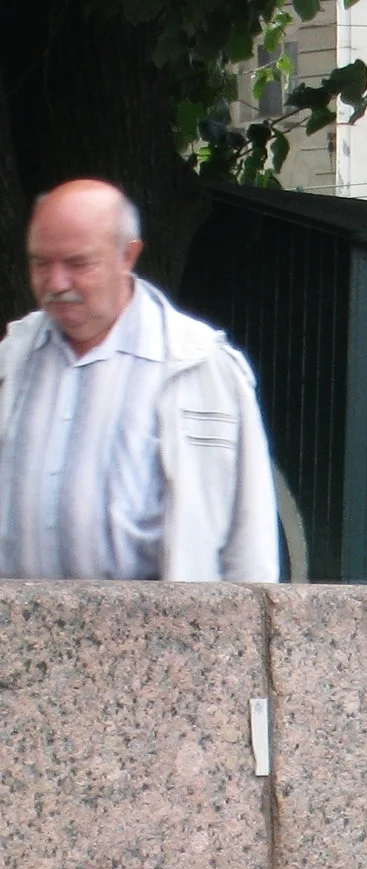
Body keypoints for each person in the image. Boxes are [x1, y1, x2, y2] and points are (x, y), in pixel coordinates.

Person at [0, 178, 278, 583]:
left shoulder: (198, 363)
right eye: (41, 263)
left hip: (160, 622)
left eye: (78, 263)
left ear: (127, 255)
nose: (56, 283)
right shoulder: (12, 358)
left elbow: (249, 537)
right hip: (16, 621)